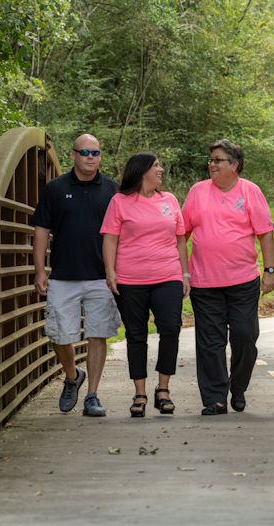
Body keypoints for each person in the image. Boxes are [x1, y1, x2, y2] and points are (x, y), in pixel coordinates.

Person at [182, 139, 274, 415]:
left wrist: (269, 271)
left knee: (246, 336)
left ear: (235, 165)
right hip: (204, 281)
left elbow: (265, 234)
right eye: (210, 159)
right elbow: (181, 234)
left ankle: (238, 386)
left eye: (218, 160)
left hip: (243, 281)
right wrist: (180, 271)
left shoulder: (250, 191)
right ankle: (215, 398)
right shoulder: (198, 192)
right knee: (210, 343)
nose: (211, 164)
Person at [32, 133, 120, 417]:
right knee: (59, 333)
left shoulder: (113, 190)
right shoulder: (55, 188)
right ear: (72, 155)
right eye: (84, 152)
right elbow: (41, 230)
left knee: (98, 334)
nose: (90, 158)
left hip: (100, 277)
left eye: (95, 153)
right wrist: (39, 270)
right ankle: (72, 376)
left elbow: (123, 233)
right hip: (63, 275)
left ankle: (92, 395)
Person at [100, 152, 190, 417]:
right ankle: (139, 393)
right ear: (141, 172)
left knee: (171, 328)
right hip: (130, 279)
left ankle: (163, 390)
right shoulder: (120, 201)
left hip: (168, 276)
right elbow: (110, 239)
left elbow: (181, 239)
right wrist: (110, 272)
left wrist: (185, 274)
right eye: (156, 166)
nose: (161, 170)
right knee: (136, 335)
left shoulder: (170, 200)